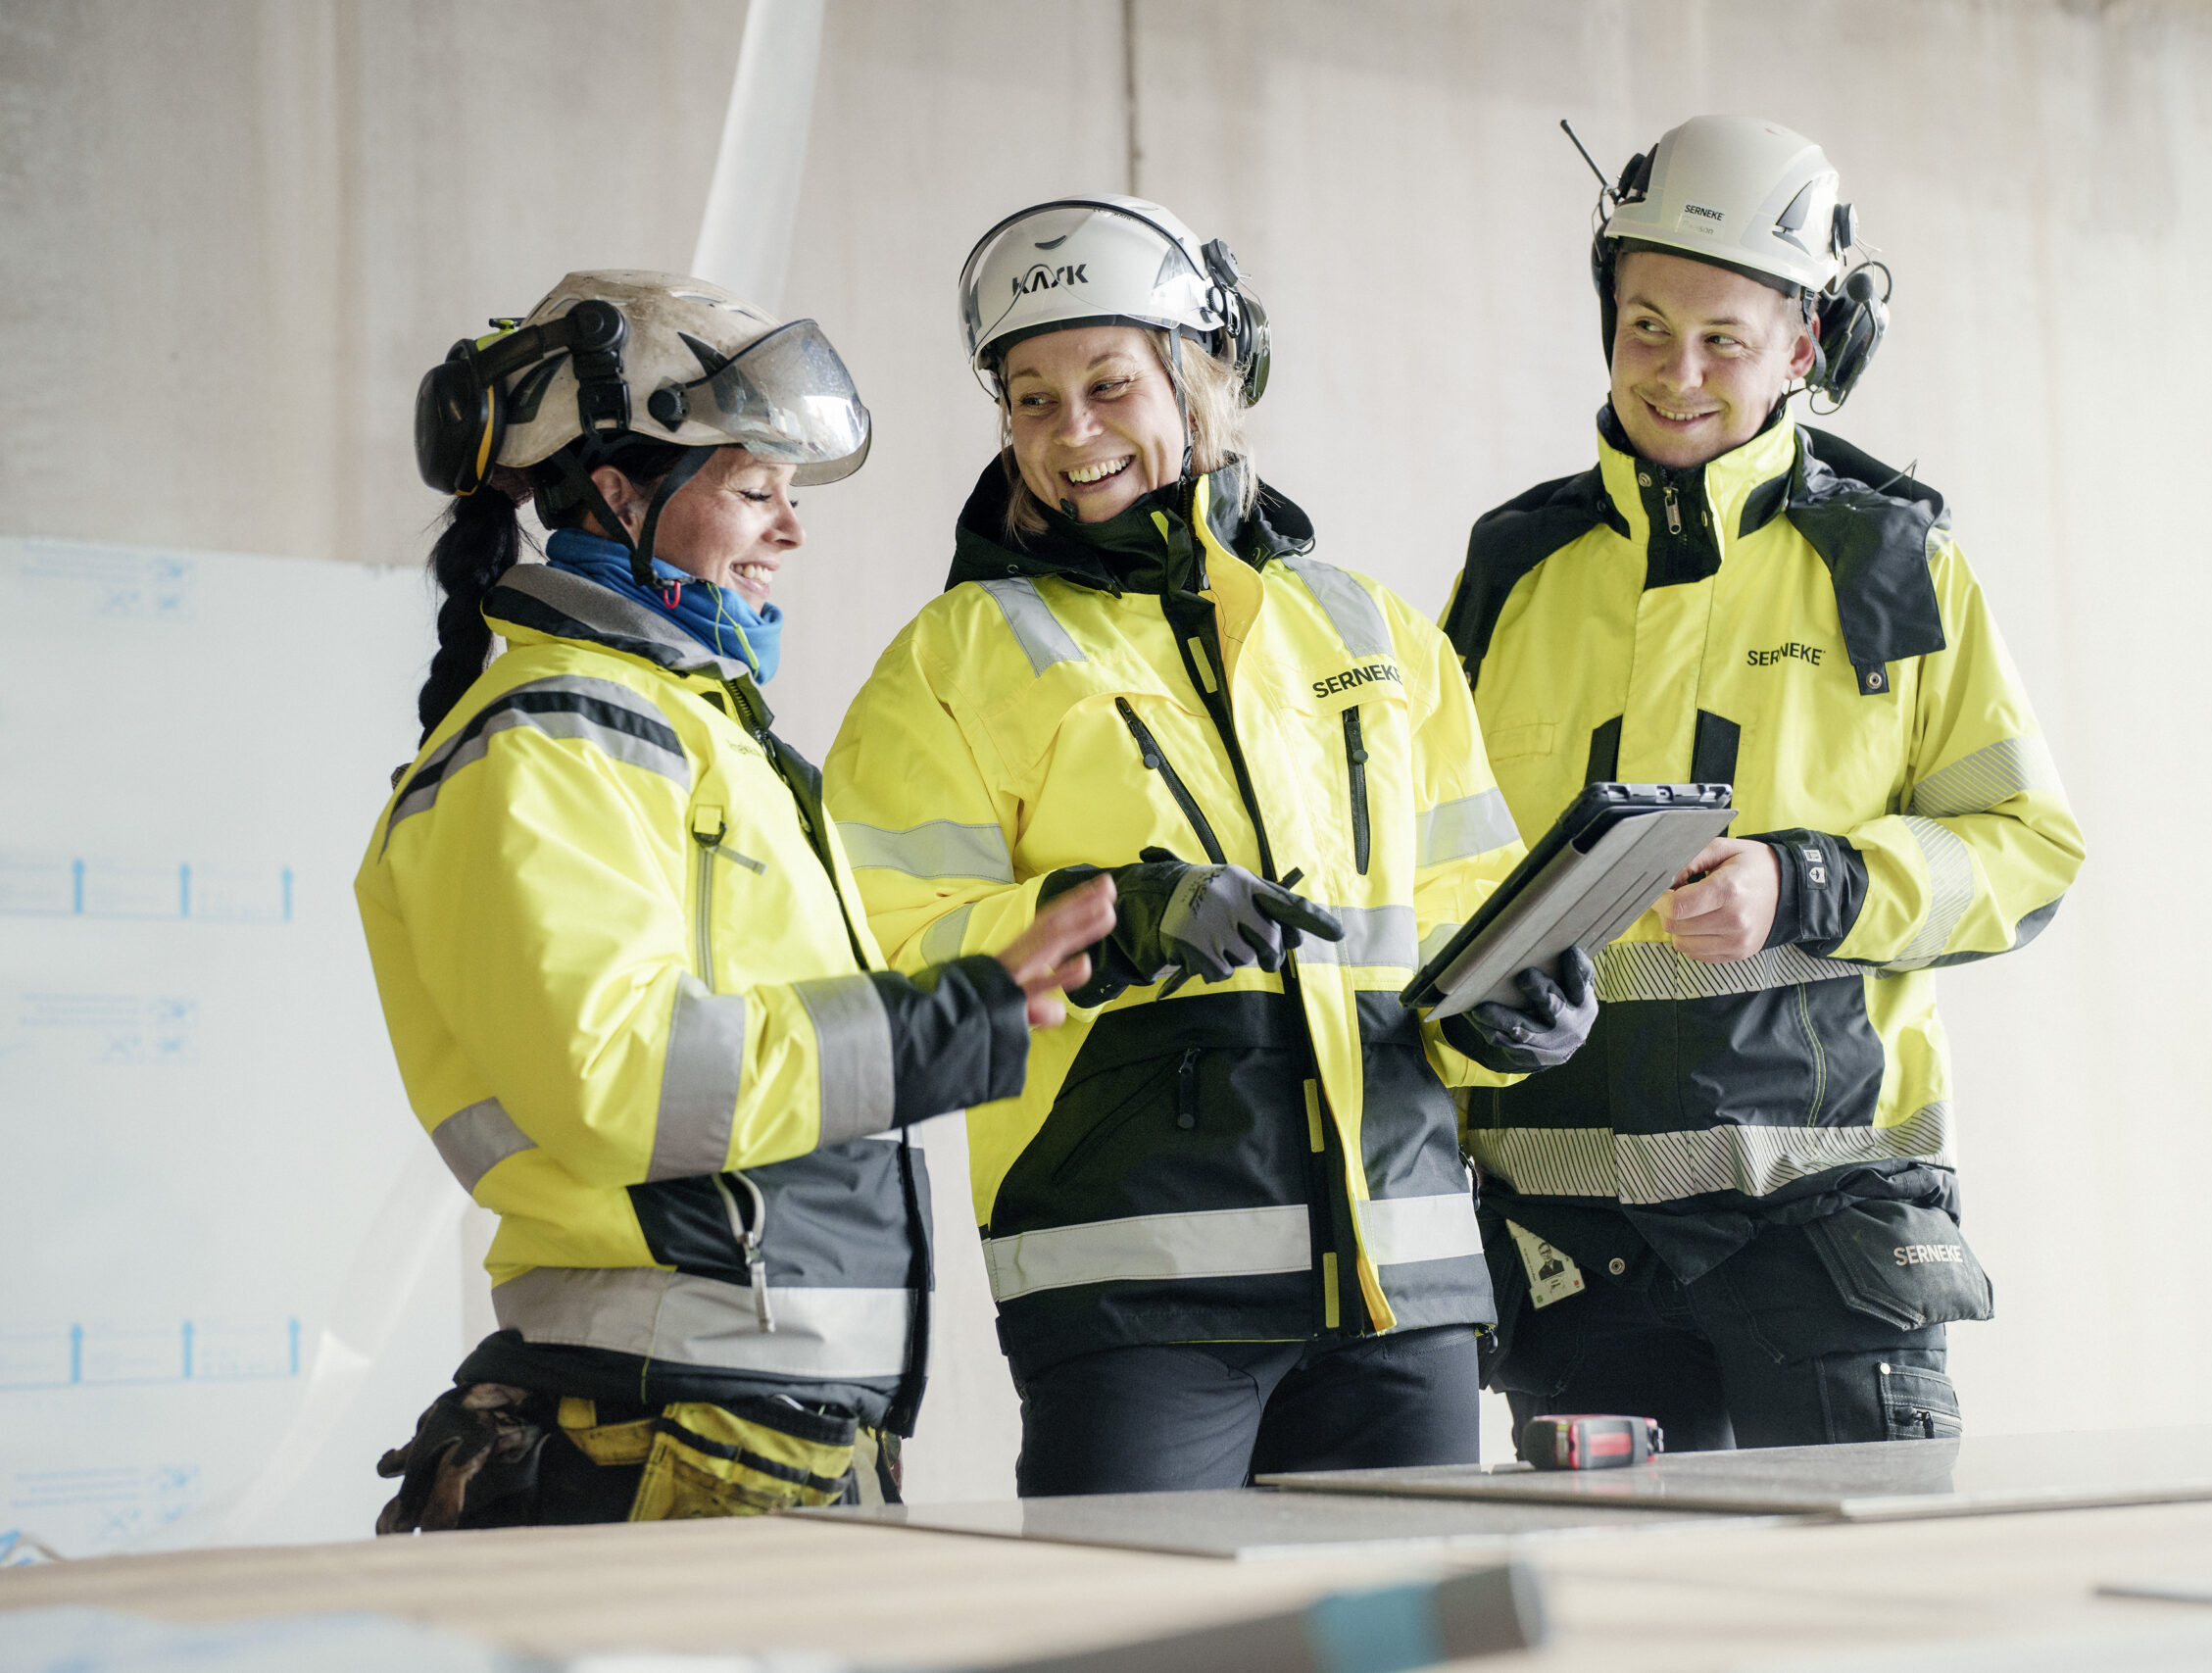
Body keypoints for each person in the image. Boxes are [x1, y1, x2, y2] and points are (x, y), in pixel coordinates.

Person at [821, 197, 1596, 1496]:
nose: (1073, 433)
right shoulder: (953, 660)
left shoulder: (1374, 629)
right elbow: (880, 944)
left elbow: (1460, 900)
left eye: (1110, 383)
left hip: (1401, 1286)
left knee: (1399, 1649)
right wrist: (1112, 913)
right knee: (1148, 1642)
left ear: (1200, 378)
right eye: (1031, 398)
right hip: (1134, 1293)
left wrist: (1513, 1000)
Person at [354, 270, 1115, 1529]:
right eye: (755, 489)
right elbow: (622, 1080)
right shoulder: (551, 744)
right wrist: (948, 1023)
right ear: (616, 490)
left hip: (759, 1420)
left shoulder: (705, 742)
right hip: (660, 1430)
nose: (791, 530)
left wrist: (982, 988)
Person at [1444, 119, 2086, 1452]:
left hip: (1826, 1238)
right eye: (1645, 327)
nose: (1676, 375)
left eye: (1723, 339)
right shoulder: (1511, 572)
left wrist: (1808, 879)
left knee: (1864, 1632)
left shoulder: (1893, 564)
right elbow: (1432, 880)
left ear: (1805, 346)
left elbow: (2026, 848)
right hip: (1578, 1258)